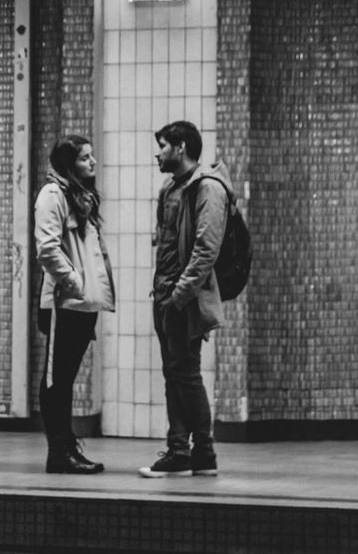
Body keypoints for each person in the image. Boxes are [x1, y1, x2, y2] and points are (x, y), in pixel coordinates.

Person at [139, 120, 230, 478]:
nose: (157, 152)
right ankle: (180, 451)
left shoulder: (207, 188)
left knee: (186, 374)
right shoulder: (169, 188)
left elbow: (206, 248)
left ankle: (202, 452)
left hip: (183, 298)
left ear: (180, 148)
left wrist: (179, 294)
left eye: (162, 145)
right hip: (164, 295)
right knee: (174, 374)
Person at [34, 135, 116, 475]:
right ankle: (59, 452)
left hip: (82, 306)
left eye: (92, 156)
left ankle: (67, 447)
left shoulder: (82, 197)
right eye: (85, 158)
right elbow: (47, 249)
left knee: (66, 379)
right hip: (63, 304)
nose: (92, 163)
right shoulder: (52, 195)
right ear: (69, 163)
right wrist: (74, 283)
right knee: (56, 380)